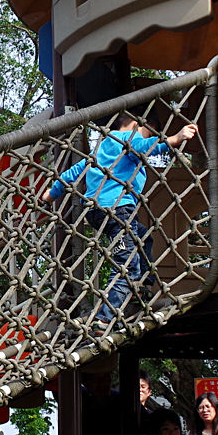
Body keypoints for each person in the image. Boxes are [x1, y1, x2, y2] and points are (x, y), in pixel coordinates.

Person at [41, 113, 197, 329]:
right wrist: (174, 139)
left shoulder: (101, 149)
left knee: (143, 237)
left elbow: (74, 173)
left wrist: (51, 194)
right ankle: (104, 318)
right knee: (126, 265)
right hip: (117, 209)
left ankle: (140, 286)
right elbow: (144, 146)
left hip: (97, 211)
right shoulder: (126, 140)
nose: (146, 137)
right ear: (136, 124)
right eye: (148, 132)